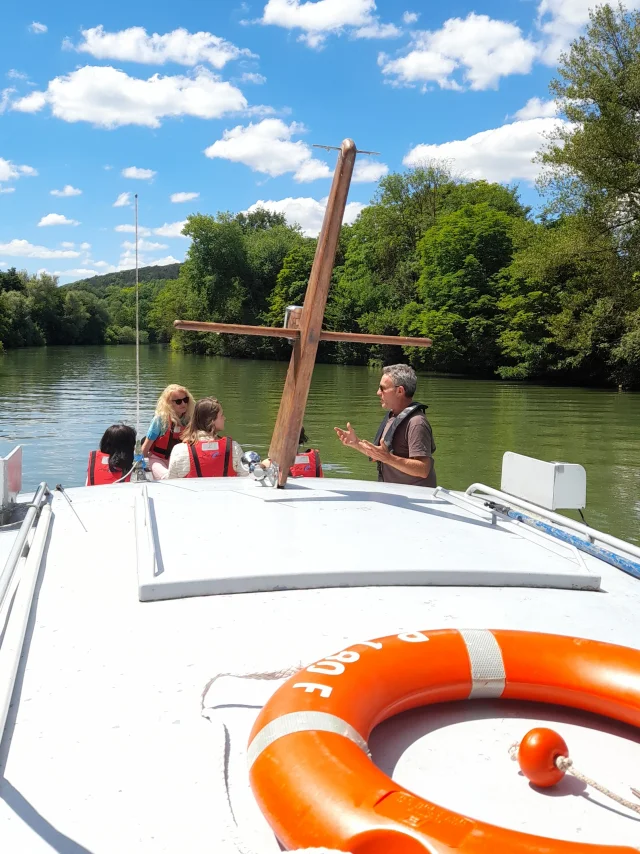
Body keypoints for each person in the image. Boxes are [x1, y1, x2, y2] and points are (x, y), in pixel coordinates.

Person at [334, 363, 436, 488]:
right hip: (395, 495)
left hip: (417, 498)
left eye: (382, 388)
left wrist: (388, 458)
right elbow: (380, 454)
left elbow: (423, 469)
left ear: (400, 391)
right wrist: (356, 443)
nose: (378, 393)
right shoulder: (393, 416)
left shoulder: (416, 423)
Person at [167, 397, 248, 479]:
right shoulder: (233, 447)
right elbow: (245, 477)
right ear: (212, 421)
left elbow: (171, 483)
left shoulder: (179, 450)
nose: (224, 418)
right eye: (222, 415)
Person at [141, 384, 194, 481]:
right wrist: (144, 468)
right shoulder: (160, 420)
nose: (183, 404)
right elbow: (145, 448)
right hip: (156, 458)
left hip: (177, 460)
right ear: (169, 404)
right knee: (168, 478)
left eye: (185, 400)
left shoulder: (189, 420)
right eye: (178, 401)